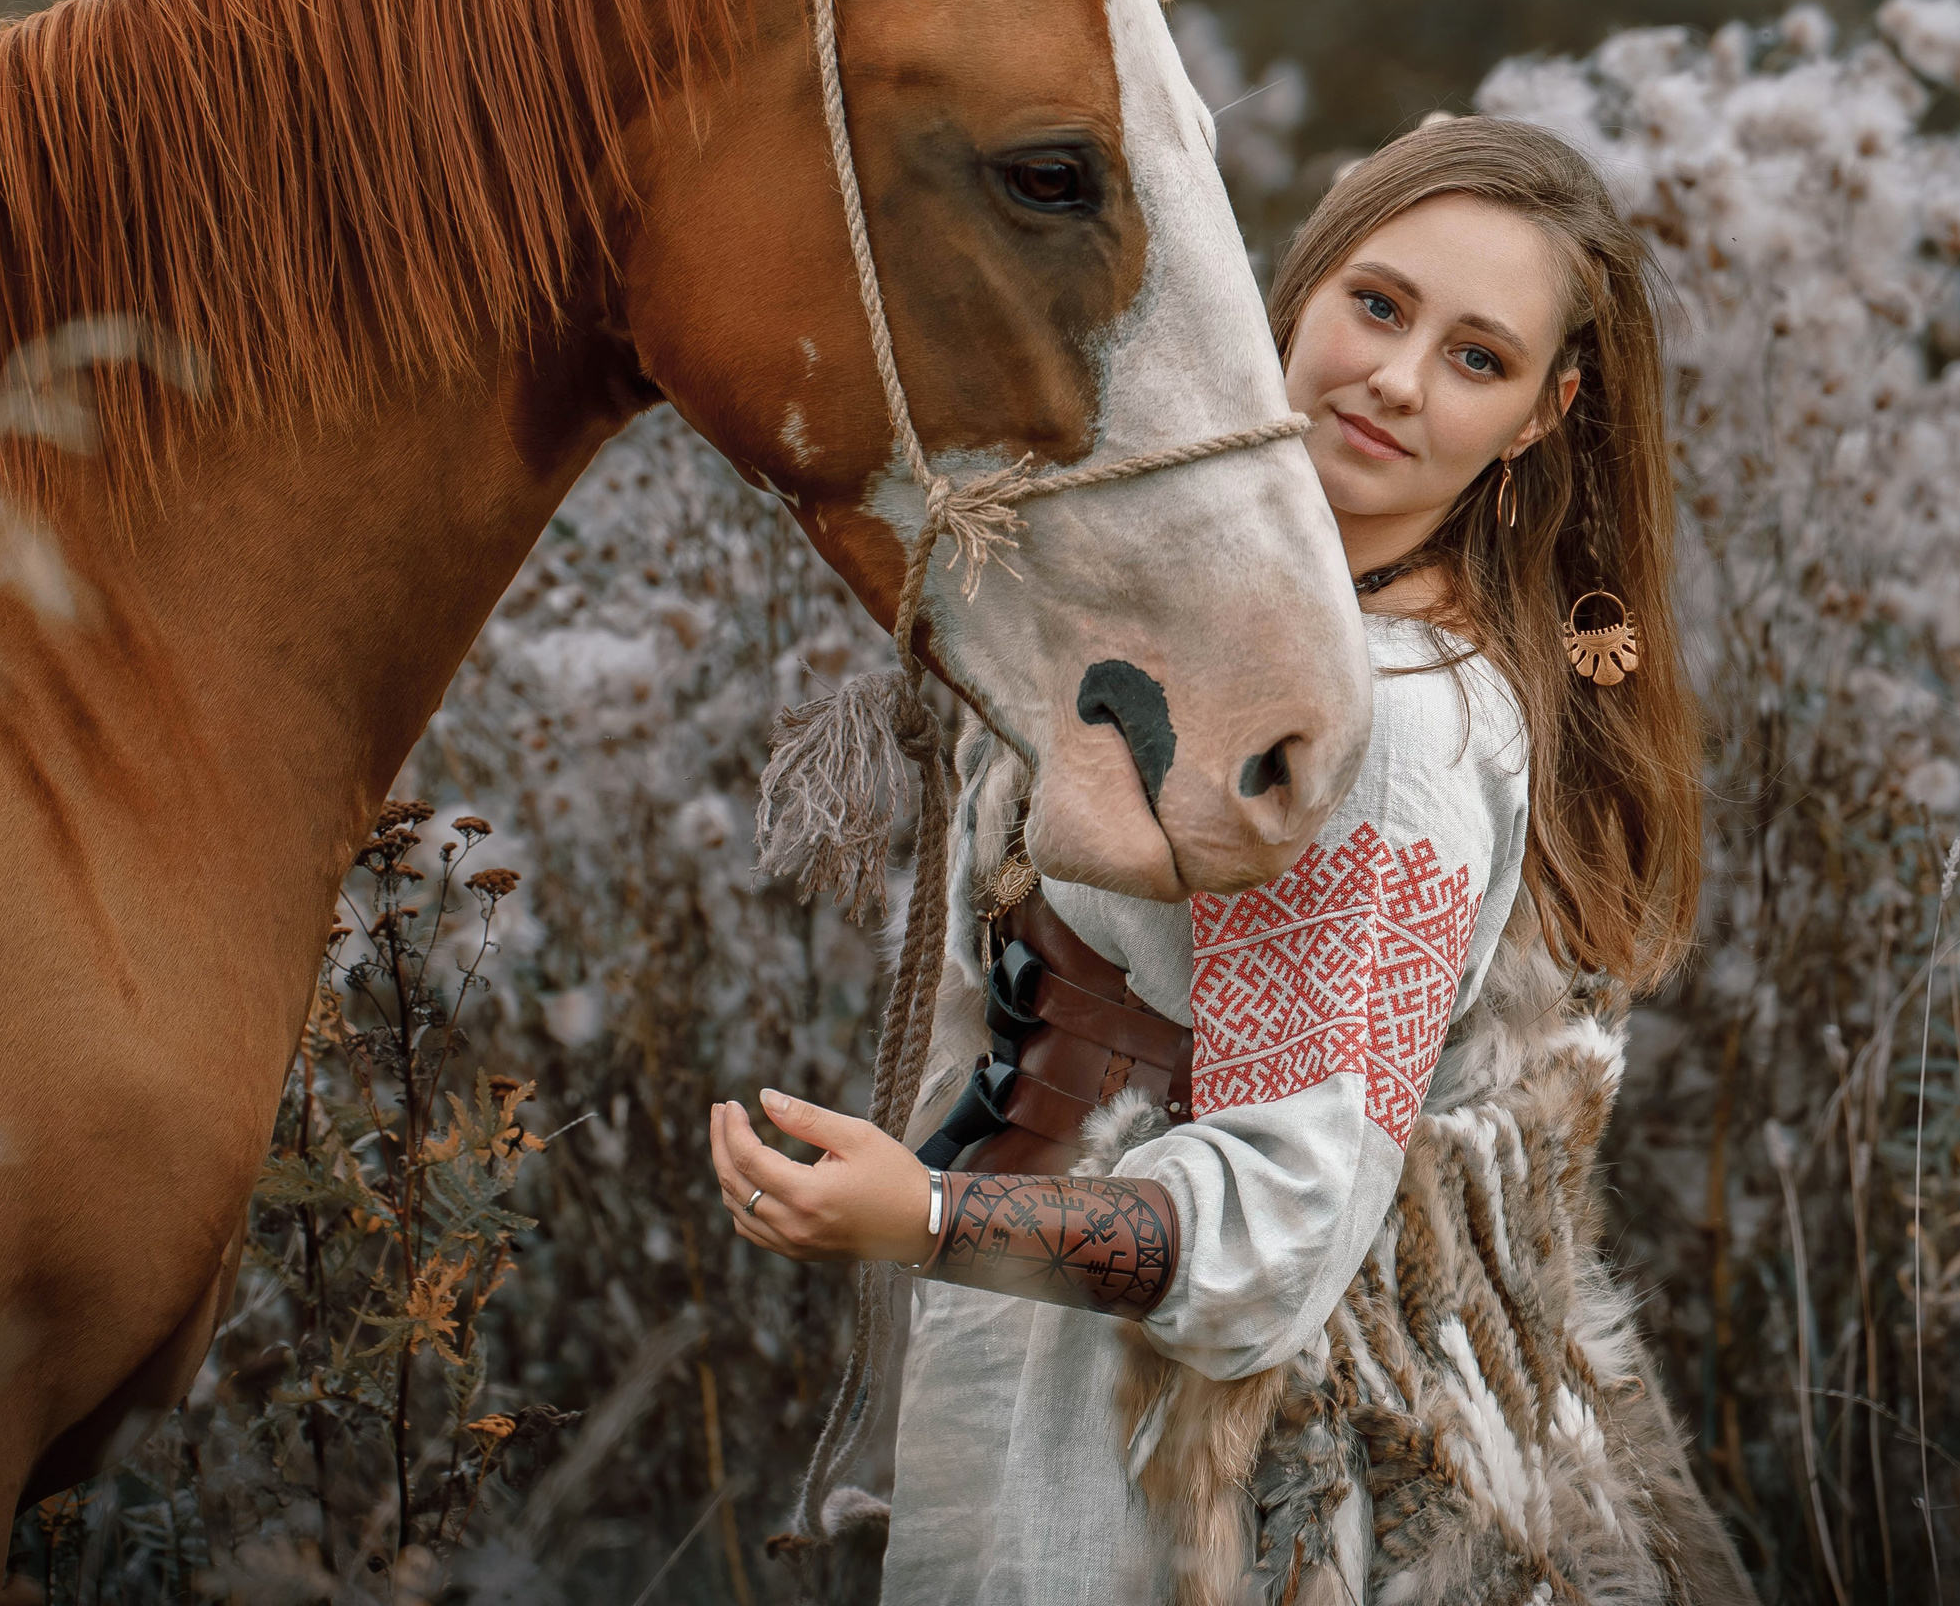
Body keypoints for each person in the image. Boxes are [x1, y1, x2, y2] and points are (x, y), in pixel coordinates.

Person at [710, 116, 1746, 1603]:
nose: (1393, 377)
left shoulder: (1381, 725)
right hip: (1044, 1357)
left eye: (1476, 357)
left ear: (1540, 415)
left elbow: (1278, 1220)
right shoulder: (1240, 618)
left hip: (1205, 1467)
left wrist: (930, 1215)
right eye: (1377, 305)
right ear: (1300, 284)